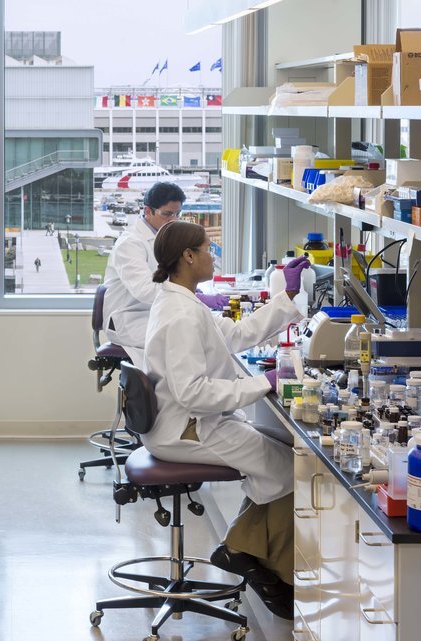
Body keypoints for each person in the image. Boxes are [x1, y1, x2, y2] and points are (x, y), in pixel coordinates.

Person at [142, 220, 311, 620]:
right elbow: (193, 392)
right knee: (295, 468)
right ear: (188, 256)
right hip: (189, 427)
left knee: (286, 450)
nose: (213, 256)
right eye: (208, 249)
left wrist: (286, 296)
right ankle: (256, 559)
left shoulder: (183, 301)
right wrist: (264, 382)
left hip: (195, 420)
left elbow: (234, 335)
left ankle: (241, 549)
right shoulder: (180, 314)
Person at [101, 182, 228, 364]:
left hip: (156, 313)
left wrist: (193, 292)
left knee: (201, 332)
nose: (173, 220)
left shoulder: (164, 238)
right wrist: (194, 297)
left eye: (177, 214)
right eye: (167, 214)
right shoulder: (130, 244)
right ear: (148, 211)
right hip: (131, 319)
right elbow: (145, 290)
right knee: (190, 338)